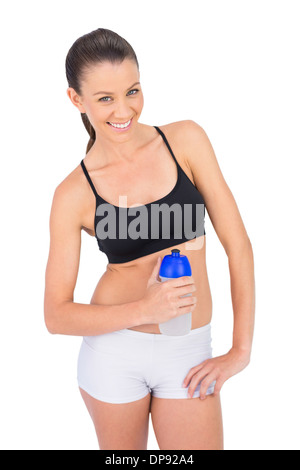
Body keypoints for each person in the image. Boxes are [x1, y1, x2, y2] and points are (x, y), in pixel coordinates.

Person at [44, 28, 255, 450]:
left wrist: (240, 351)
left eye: (133, 91)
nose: (124, 109)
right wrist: (145, 308)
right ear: (76, 100)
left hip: (190, 350)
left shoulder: (185, 141)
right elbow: (56, 315)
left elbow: (239, 245)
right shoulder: (73, 193)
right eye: (105, 98)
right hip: (114, 354)